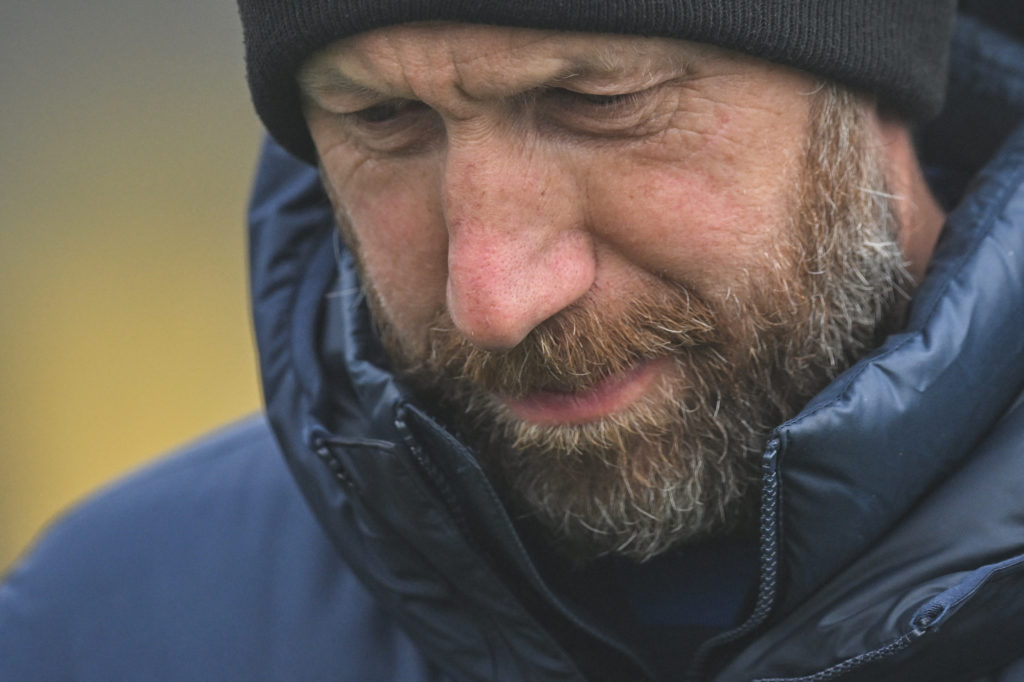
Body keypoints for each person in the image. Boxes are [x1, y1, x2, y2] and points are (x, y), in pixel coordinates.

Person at [3, 1, 1024, 679]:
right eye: (385, 119)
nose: (492, 296)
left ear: (876, 86)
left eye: (597, 102)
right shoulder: (104, 631)